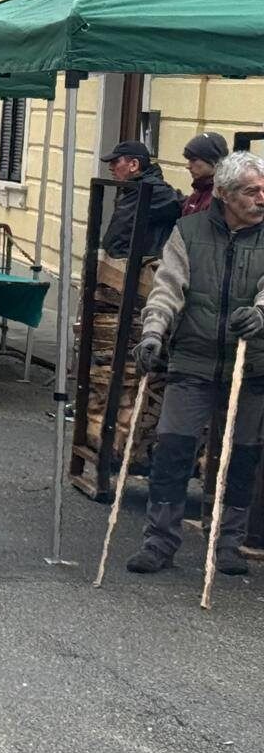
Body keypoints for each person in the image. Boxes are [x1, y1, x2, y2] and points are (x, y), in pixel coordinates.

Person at [128, 151, 264, 576]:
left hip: (251, 364)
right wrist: (153, 332)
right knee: (173, 450)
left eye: (263, 189)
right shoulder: (187, 231)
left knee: (240, 456)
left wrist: (261, 313)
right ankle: (159, 541)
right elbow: (167, 287)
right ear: (223, 195)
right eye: (251, 191)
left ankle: (228, 543)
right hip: (193, 359)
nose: (261, 198)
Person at [102, 140, 181, 258]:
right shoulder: (134, 189)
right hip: (130, 264)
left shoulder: (154, 190)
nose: (111, 168)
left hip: (141, 266)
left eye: (115, 162)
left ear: (134, 165)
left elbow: (183, 205)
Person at [180, 132, 227, 218]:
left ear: (214, 161)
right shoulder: (199, 188)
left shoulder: (221, 197)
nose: (188, 166)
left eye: (193, 160)